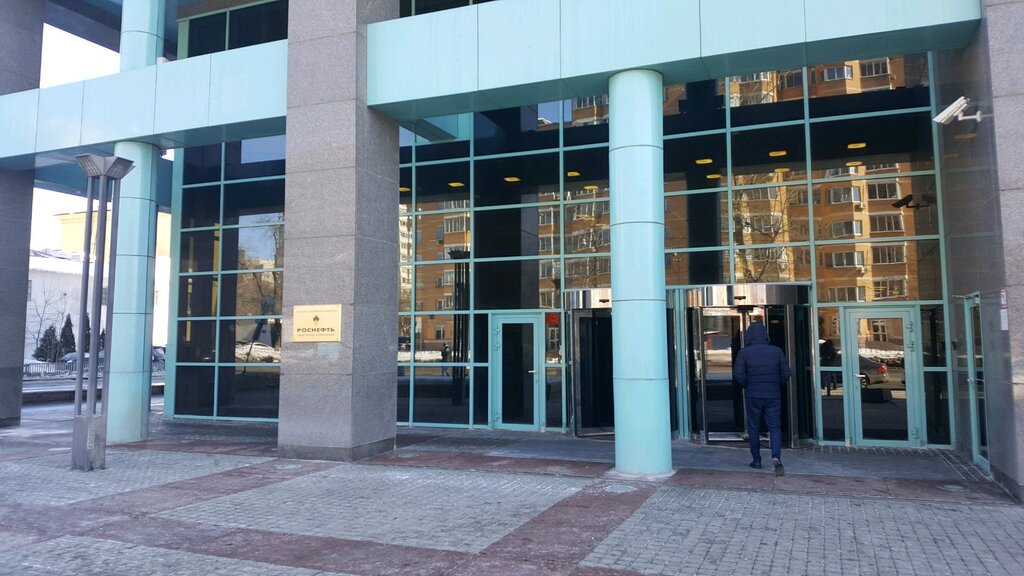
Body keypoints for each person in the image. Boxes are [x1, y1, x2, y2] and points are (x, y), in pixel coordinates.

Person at [733, 322, 792, 476]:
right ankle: (776, 456)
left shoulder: (744, 353)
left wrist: (747, 385)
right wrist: (776, 384)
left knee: (753, 427)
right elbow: (786, 372)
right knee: (775, 426)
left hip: (753, 394)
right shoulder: (776, 351)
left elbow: (738, 374)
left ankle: (757, 460)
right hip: (773, 394)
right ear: (766, 335)